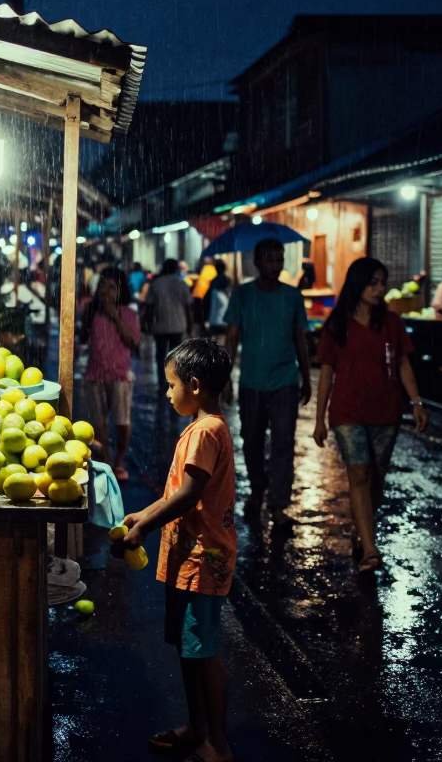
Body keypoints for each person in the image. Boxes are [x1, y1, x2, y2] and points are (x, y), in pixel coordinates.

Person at [122, 339, 236, 762]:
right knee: (189, 649)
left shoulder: (207, 431)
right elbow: (175, 493)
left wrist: (146, 526)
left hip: (203, 559)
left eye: (171, 386)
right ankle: (198, 728)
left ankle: (218, 744)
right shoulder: (200, 428)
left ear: (194, 384)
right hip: (187, 556)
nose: (167, 393)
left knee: (203, 652)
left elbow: (188, 496)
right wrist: (143, 514)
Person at [314, 257, 427, 573]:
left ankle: (361, 531)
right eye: (373, 282)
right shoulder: (338, 324)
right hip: (347, 411)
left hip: (386, 410)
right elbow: (326, 373)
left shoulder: (392, 322)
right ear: (358, 284)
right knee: (359, 475)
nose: (380, 289)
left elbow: (404, 364)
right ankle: (371, 550)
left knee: (376, 478)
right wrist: (320, 419)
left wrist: (416, 402)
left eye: (382, 282)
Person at [224, 239, 311, 528]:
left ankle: (278, 504)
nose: (274, 265)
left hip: (285, 380)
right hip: (251, 381)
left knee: (284, 443)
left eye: (279, 259)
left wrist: (307, 377)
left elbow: (301, 338)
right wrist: (225, 378)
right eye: (269, 260)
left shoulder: (292, 296)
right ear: (257, 263)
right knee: (252, 442)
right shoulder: (243, 295)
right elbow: (232, 337)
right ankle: (257, 489)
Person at [81, 267, 141, 480]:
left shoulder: (129, 314)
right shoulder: (91, 311)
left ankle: (119, 460)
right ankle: (105, 459)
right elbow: (81, 339)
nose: (107, 292)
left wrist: (114, 316)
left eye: (112, 287)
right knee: (98, 425)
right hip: (94, 375)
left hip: (121, 376)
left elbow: (133, 341)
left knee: (122, 422)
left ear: (121, 290)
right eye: (103, 286)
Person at [144, 258, 193, 392]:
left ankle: (162, 382)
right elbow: (188, 307)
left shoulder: (156, 284)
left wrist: (147, 324)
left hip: (160, 324)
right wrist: (190, 324)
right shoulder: (182, 284)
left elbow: (149, 306)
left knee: (161, 355)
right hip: (178, 325)